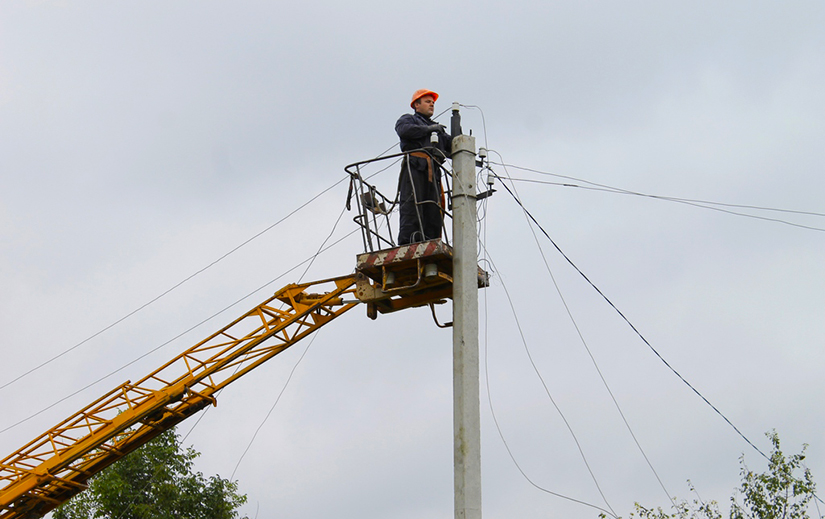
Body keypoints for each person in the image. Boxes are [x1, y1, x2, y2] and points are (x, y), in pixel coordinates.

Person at [395, 89, 453, 245]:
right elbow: (403, 130)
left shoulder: (438, 129)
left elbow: (453, 146)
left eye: (433, 102)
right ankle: (408, 242)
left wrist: (459, 136)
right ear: (416, 105)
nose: (432, 104)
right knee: (412, 205)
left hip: (433, 172)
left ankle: (431, 241)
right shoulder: (409, 120)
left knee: (434, 209)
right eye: (428, 101)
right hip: (415, 167)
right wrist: (428, 130)